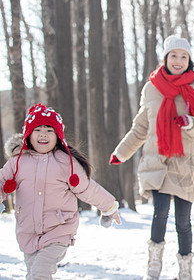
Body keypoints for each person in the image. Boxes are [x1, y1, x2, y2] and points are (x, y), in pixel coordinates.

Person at [109, 35, 194, 280]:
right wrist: (121, 152)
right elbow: (140, 128)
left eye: (183, 56)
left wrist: (190, 123)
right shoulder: (151, 88)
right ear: (165, 58)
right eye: (173, 55)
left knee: (183, 222)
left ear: (190, 61)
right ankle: (153, 267)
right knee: (160, 212)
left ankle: (185, 270)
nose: (178, 60)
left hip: (187, 166)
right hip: (158, 163)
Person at [0, 103, 121, 280]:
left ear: (58, 136)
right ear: (28, 134)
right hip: (28, 231)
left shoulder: (66, 162)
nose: (43, 134)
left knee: (40, 273)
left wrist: (109, 206)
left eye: (49, 130)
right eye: (38, 129)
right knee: (32, 274)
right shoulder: (18, 161)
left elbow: (87, 188)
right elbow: (2, 181)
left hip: (59, 230)